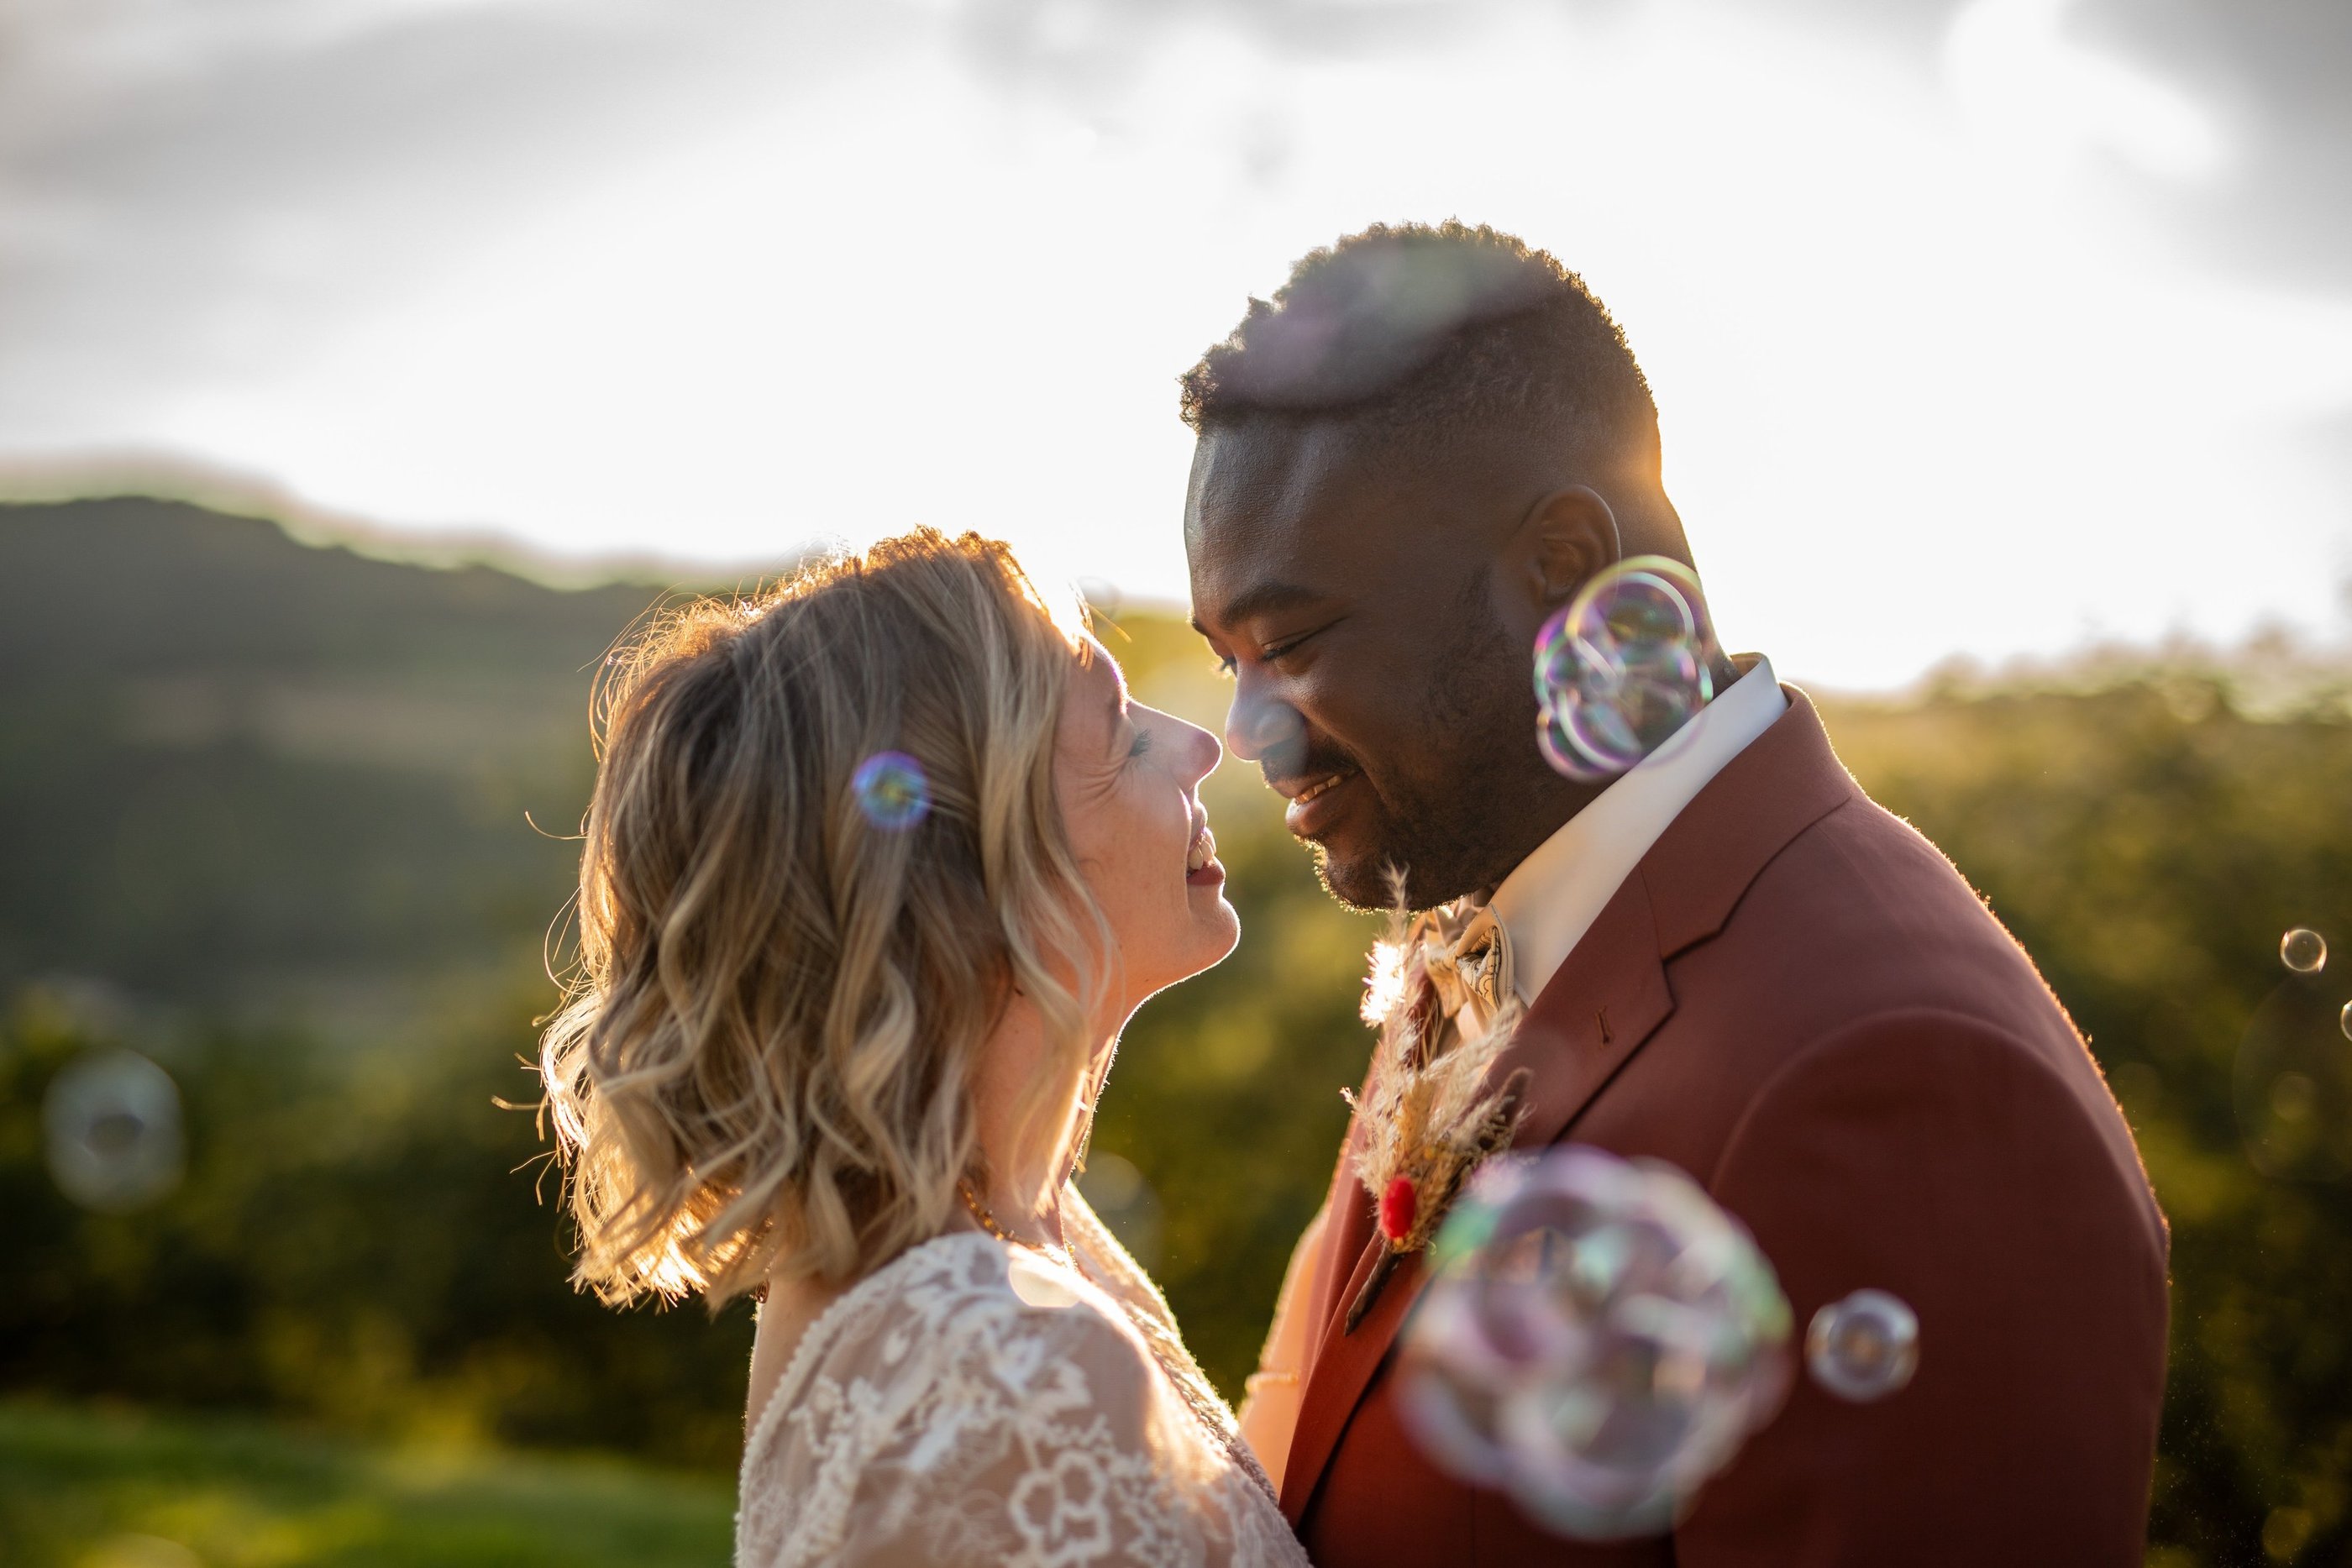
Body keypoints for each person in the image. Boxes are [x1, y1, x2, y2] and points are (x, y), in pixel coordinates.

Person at [1182, 222, 2171, 1565]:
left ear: (1562, 564)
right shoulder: (1507, 904)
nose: (1248, 730)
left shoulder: (1893, 1081)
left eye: (1289, 645)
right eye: (1225, 658)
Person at [538, 532, 1310, 1568]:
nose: (1203, 747)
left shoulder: (1019, 1236)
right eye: (1122, 736)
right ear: (978, 885)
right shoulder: (1001, 1361)